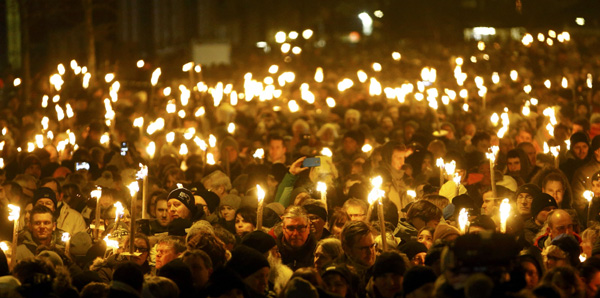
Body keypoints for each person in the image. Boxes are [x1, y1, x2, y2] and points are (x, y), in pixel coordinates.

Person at [276, 205, 316, 270]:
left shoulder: (318, 255)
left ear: (308, 227)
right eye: (290, 228)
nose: (295, 233)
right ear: (283, 228)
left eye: (300, 228)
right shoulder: (273, 254)